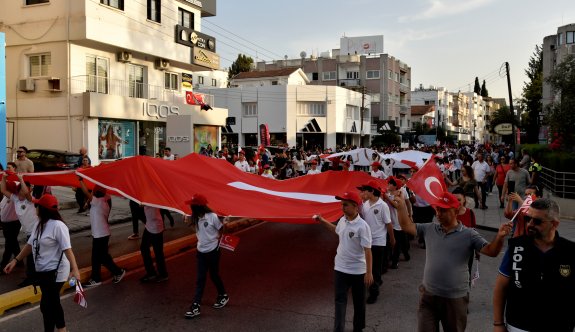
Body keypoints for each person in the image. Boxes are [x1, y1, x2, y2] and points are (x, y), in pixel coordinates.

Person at [396, 189, 512, 332]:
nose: (438, 213)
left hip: (455, 299)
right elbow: (406, 226)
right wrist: (401, 207)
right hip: (428, 296)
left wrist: (500, 237)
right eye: (437, 209)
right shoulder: (429, 228)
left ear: (456, 211)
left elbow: (492, 251)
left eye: (443, 210)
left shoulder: (469, 234)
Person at [493, 198, 575, 332]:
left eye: (537, 221)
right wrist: (498, 323)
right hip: (518, 325)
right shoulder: (516, 247)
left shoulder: (570, 251)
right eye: (527, 218)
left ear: (554, 224)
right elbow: (500, 287)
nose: (530, 224)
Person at [4, 194, 80, 332]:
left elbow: (68, 250)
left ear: (42, 209)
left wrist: (75, 270)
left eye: (37, 205)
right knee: (48, 304)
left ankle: (62, 330)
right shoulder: (39, 224)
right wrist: (15, 260)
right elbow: (29, 245)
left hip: (57, 272)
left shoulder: (58, 226)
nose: (35, 207)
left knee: (49, 303)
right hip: (44, 271)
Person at [315, 191, 373, 332]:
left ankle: (358, 328)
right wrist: (322, 221)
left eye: (345, 205)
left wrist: (369, 273)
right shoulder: (343, 220)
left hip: (358, 271)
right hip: (340, 269)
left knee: (359, 303)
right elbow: (337, 231)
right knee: (340, 301)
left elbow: (367, 250)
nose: (342, 207)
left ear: (355, 206)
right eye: (342, 204)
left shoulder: (363, 226)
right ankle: (338, 329)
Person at [184, 194, 229, 319]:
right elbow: (198, 232)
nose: (190, 207)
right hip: (201, 252)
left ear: (197, 207)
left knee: (214, 275)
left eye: (192, 205)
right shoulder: (194, 218)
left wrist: (224, 224)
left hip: (213, 251)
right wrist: (189, 222)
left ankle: (223, 295)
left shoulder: (212, 217)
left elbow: (222, 229)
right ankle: (196, 305)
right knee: (200, 278)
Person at [79, 180, 126, 287]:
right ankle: (97, 277)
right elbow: (92, 195)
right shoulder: (106, 199)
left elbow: (86, 192)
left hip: (100, 234)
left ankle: (117, 272)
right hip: (102, 233)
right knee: (98, 257)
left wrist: (80, 179)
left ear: (96, 193)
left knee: (101, 257)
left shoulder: (97, 201)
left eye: (94, 191)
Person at [358, 180, 394, 304]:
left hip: (378, 241)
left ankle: (374, 292)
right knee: (366, 266)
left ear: (372, 191)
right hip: (366, 241)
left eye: (365, 190)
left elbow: (388, 224)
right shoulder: (365, 204)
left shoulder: (382, 205)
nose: (363, 192)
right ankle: (373, 284)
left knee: (375, 268)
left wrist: (392, 239)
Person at [139, 207, 168, 283]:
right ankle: (154, 273)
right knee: (145, 249)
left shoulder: (151, 199)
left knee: (156, 251)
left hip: (154, 226)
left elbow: (152, 214)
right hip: (151, 225)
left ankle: (161, 274)